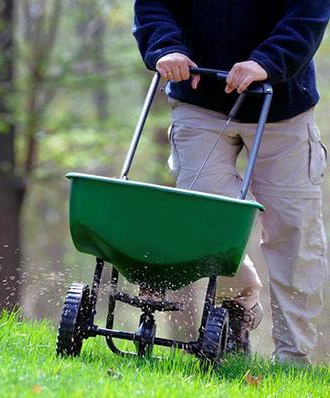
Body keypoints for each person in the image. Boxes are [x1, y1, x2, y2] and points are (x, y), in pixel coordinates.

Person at [133, 1, 330, 365]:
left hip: (283, 102)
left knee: (294, 231)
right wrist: (166, 46)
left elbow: (311, 9)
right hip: (200, 98)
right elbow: (154, 4)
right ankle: (237, 305)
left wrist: (268, 61)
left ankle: (293, 357)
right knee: (205, 220)